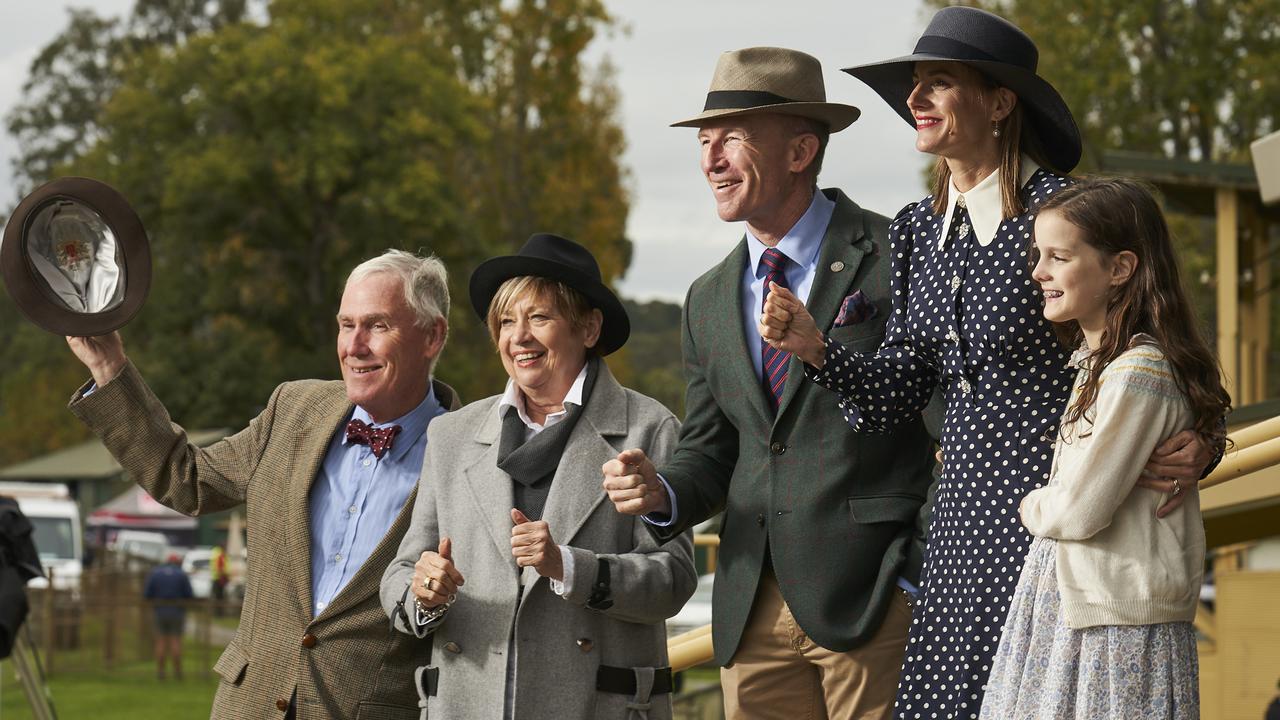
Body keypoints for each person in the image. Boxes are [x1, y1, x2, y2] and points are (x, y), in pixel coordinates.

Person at [756, 8, 1218, 718]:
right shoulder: (914, 229)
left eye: (938, 83)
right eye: (914, 86)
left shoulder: (1063, 214)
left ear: (1000, 103)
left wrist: (1203, 444)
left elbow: (1158, 342)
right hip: (963, 511)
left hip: (1064, 510)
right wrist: (817, 350)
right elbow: (901, 386)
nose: (915, 100)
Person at [602, 47, 937, 719]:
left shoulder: (900, 253)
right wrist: (661, 489)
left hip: (872, 600)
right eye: (704, 141)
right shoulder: (707, 298)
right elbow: (712, 450)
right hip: (748, 605)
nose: (711, 159)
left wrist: (913, 575)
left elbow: (946, 426)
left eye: (731, 138)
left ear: (799, 150)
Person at [66, 249, 458, 719]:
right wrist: (110, 368)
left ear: (432, 335)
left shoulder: (470, 452)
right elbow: (186, 479)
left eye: (377, 326)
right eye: (345, 324)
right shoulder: (293, 410)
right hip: (247, 705)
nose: (354, 346)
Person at [381, 233, 696, 720]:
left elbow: (673, 579)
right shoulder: (451, 435)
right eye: (506, 321)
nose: (518, 337)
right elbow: (402, 572)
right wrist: (424, 595)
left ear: (589, 328)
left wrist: (568, 567)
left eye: (539, 318)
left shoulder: (650, 427)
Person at [979, 178, 1228, 718]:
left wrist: (1031, 503)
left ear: (1120, 269)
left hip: (1115, 617)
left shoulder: (1137, 372)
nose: (1039, 272)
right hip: (1081, 603)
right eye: (1037, 255)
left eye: (1059, 257)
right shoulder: (1100, 364)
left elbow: (1078, 509)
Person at [145, 553, 194, 680]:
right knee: (175, 641)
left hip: (160, 610)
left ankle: (161, 672)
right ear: (177, 562)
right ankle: (178, 673)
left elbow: (147, 594)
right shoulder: (181, 574)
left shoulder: (156, 573)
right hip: (177, 611)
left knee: (160, 642)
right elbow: (189, 594)